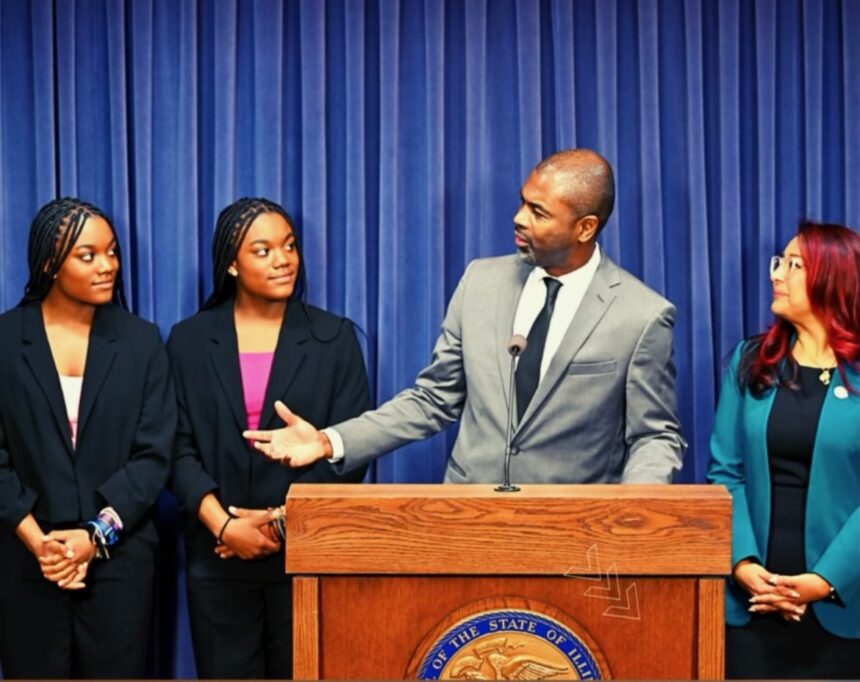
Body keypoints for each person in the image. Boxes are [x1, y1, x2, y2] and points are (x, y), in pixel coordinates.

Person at [245, 149, 685, 484]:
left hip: (577, 541)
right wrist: (328, 441)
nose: (518, 218)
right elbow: (434, 398)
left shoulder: (641, 315)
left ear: (585, 227)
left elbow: (654, 436)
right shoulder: (480, 282)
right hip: (467, 524)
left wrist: (630, 516)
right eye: (522, 202)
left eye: (538, 212)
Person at [167, 197, 370, 679]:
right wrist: (222, 525)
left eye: (290, 246)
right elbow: (174, 445)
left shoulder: (334, 337)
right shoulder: (188, 340)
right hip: (218, 553)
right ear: (232, 264)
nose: (284, 259)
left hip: (305, 552)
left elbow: (352, 447)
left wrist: (282, 523)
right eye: (263, 250)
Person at [0, 198, 175, 678]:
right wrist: (42, 544)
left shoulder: (141, 341)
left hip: (120, 562)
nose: (107, 266)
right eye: (88, 255)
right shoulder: (5, 341)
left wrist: (94, 537)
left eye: (113, 252)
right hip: (27, 559)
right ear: (49, 265)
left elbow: (153, 455)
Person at [708, 222, 860, 678]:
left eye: (795, 265)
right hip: (753, 604)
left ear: (832, 278)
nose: (778, 273)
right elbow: (725, 472)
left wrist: (822, 582)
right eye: (780, 261)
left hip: (841, 610)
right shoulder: (752, 361)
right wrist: (743, 564)